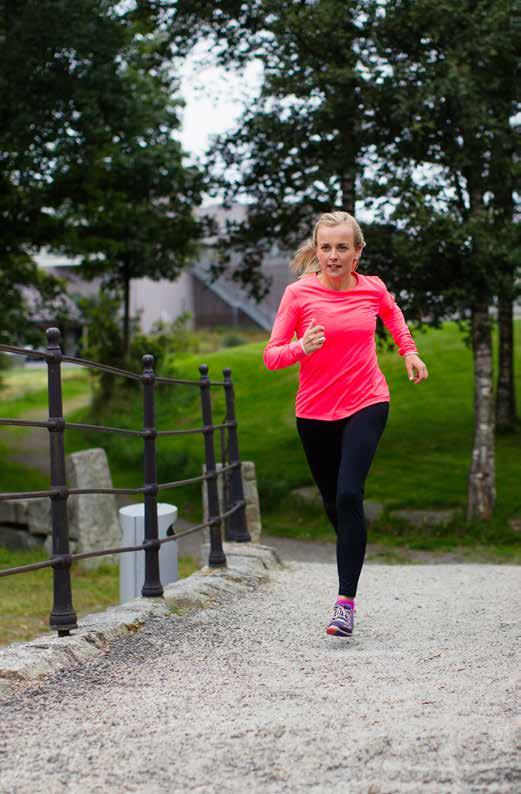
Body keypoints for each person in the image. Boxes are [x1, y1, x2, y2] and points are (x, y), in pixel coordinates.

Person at [263, 211, 428, 637]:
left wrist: (408, 351)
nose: (333, 256)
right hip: (314, 413)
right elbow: (272, 355)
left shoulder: (372, 288)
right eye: (325, 247)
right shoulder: (298, 294)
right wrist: (302, 346)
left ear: (357, 252)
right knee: (335, 504)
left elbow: (393, 316)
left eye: (342, 247)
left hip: (366, 401)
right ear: (316, 251)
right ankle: (352, 544)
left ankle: (344, 603)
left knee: (350, 492)